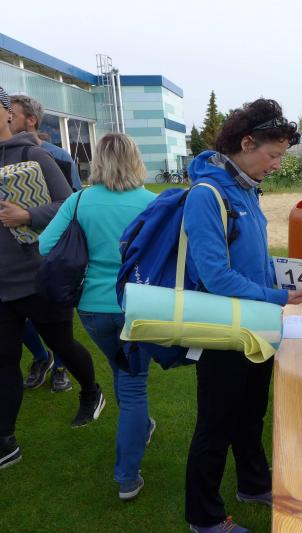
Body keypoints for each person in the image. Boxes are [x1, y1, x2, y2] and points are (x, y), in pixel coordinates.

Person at [183, 98, 302, 533]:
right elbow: (216, 276)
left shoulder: (248, 188)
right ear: (247, 143)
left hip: (257, 324)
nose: (276, 165)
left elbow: (252, 260)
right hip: (223, 328)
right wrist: (276, 296)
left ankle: (253, 484)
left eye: (281, 156)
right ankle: (204, 518)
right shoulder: (207, 194)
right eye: (272, 155)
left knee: (251, 414)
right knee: (215, 426)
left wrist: (297, 274)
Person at [39, 133, 156, 500]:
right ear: (135, 160)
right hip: (139, 303)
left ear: (99, 161)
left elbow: (45, 245)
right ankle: (127, 477)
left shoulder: (79, 201)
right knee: (133, 384)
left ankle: (140, 427)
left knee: (122, 371)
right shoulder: (152, 203)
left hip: (93, 307)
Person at [0, 85, 104, 470]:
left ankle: (91, 391)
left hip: (38, 276)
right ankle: (5, 439)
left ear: (7, 112)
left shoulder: (34, 154)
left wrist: (28, 215)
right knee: (4, 358)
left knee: (62, 344)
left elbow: (68, 203)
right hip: (1, 283)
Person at [9, 95, 78, 392]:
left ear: (31, 120)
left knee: (55, 319)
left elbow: (73, 203)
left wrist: (28, 215)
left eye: (12, 114)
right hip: (11, 259)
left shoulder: (56, 157)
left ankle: (61, 367)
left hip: (52, 254)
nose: (7, 118)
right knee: (16, 316)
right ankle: (41, 357)